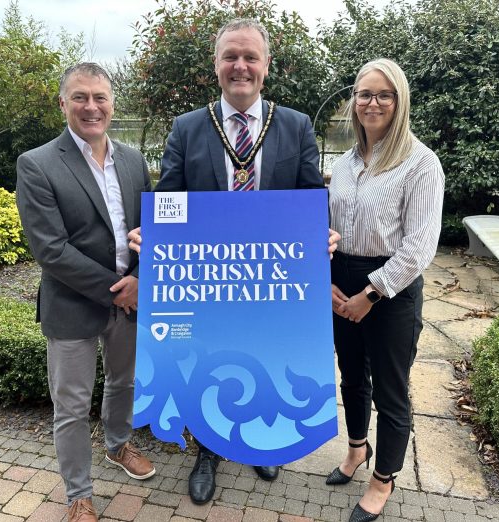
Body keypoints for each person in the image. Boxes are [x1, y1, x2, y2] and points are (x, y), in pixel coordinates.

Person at [128, 18, 340, 505]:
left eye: (250, 57)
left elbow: (311, 196)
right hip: (210, 276)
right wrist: (154, 237)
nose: (240, 66)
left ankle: (262, 443)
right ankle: (208, 450)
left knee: (266, 351)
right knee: (209, 358)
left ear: (266, 66)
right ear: (216, 65)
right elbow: (171, 198)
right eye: (230, 57)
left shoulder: (296, 124)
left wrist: (318, 237)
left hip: (272, 277)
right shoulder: (186, 127)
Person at [16, 63, 155, 522]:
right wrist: (117, 291)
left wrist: (140, 277)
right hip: (75, 303)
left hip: (131, 298)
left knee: (124, 382)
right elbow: (50, 250)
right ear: (63, 103)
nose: (91, 107)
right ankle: (79, 493)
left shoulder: (133, 160)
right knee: (72, 406)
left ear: (113, 103)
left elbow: (150, 228)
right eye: (80, 97)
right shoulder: (37, 164)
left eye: (100, 97)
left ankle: (118, 445)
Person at [327, 58, 444, 522]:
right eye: (363, 94)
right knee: (352, 377)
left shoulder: (421, 163)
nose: (372, 103)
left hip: (390, 291)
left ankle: (383, 480)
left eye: (383, 95)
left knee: (391, 391)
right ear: (353, 102)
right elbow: (329, 226)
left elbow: (419, 247)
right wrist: (332, 283)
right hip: (342, 281)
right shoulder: (345, 161)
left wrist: (369, 294)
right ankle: (357, 450)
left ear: (399, 102)